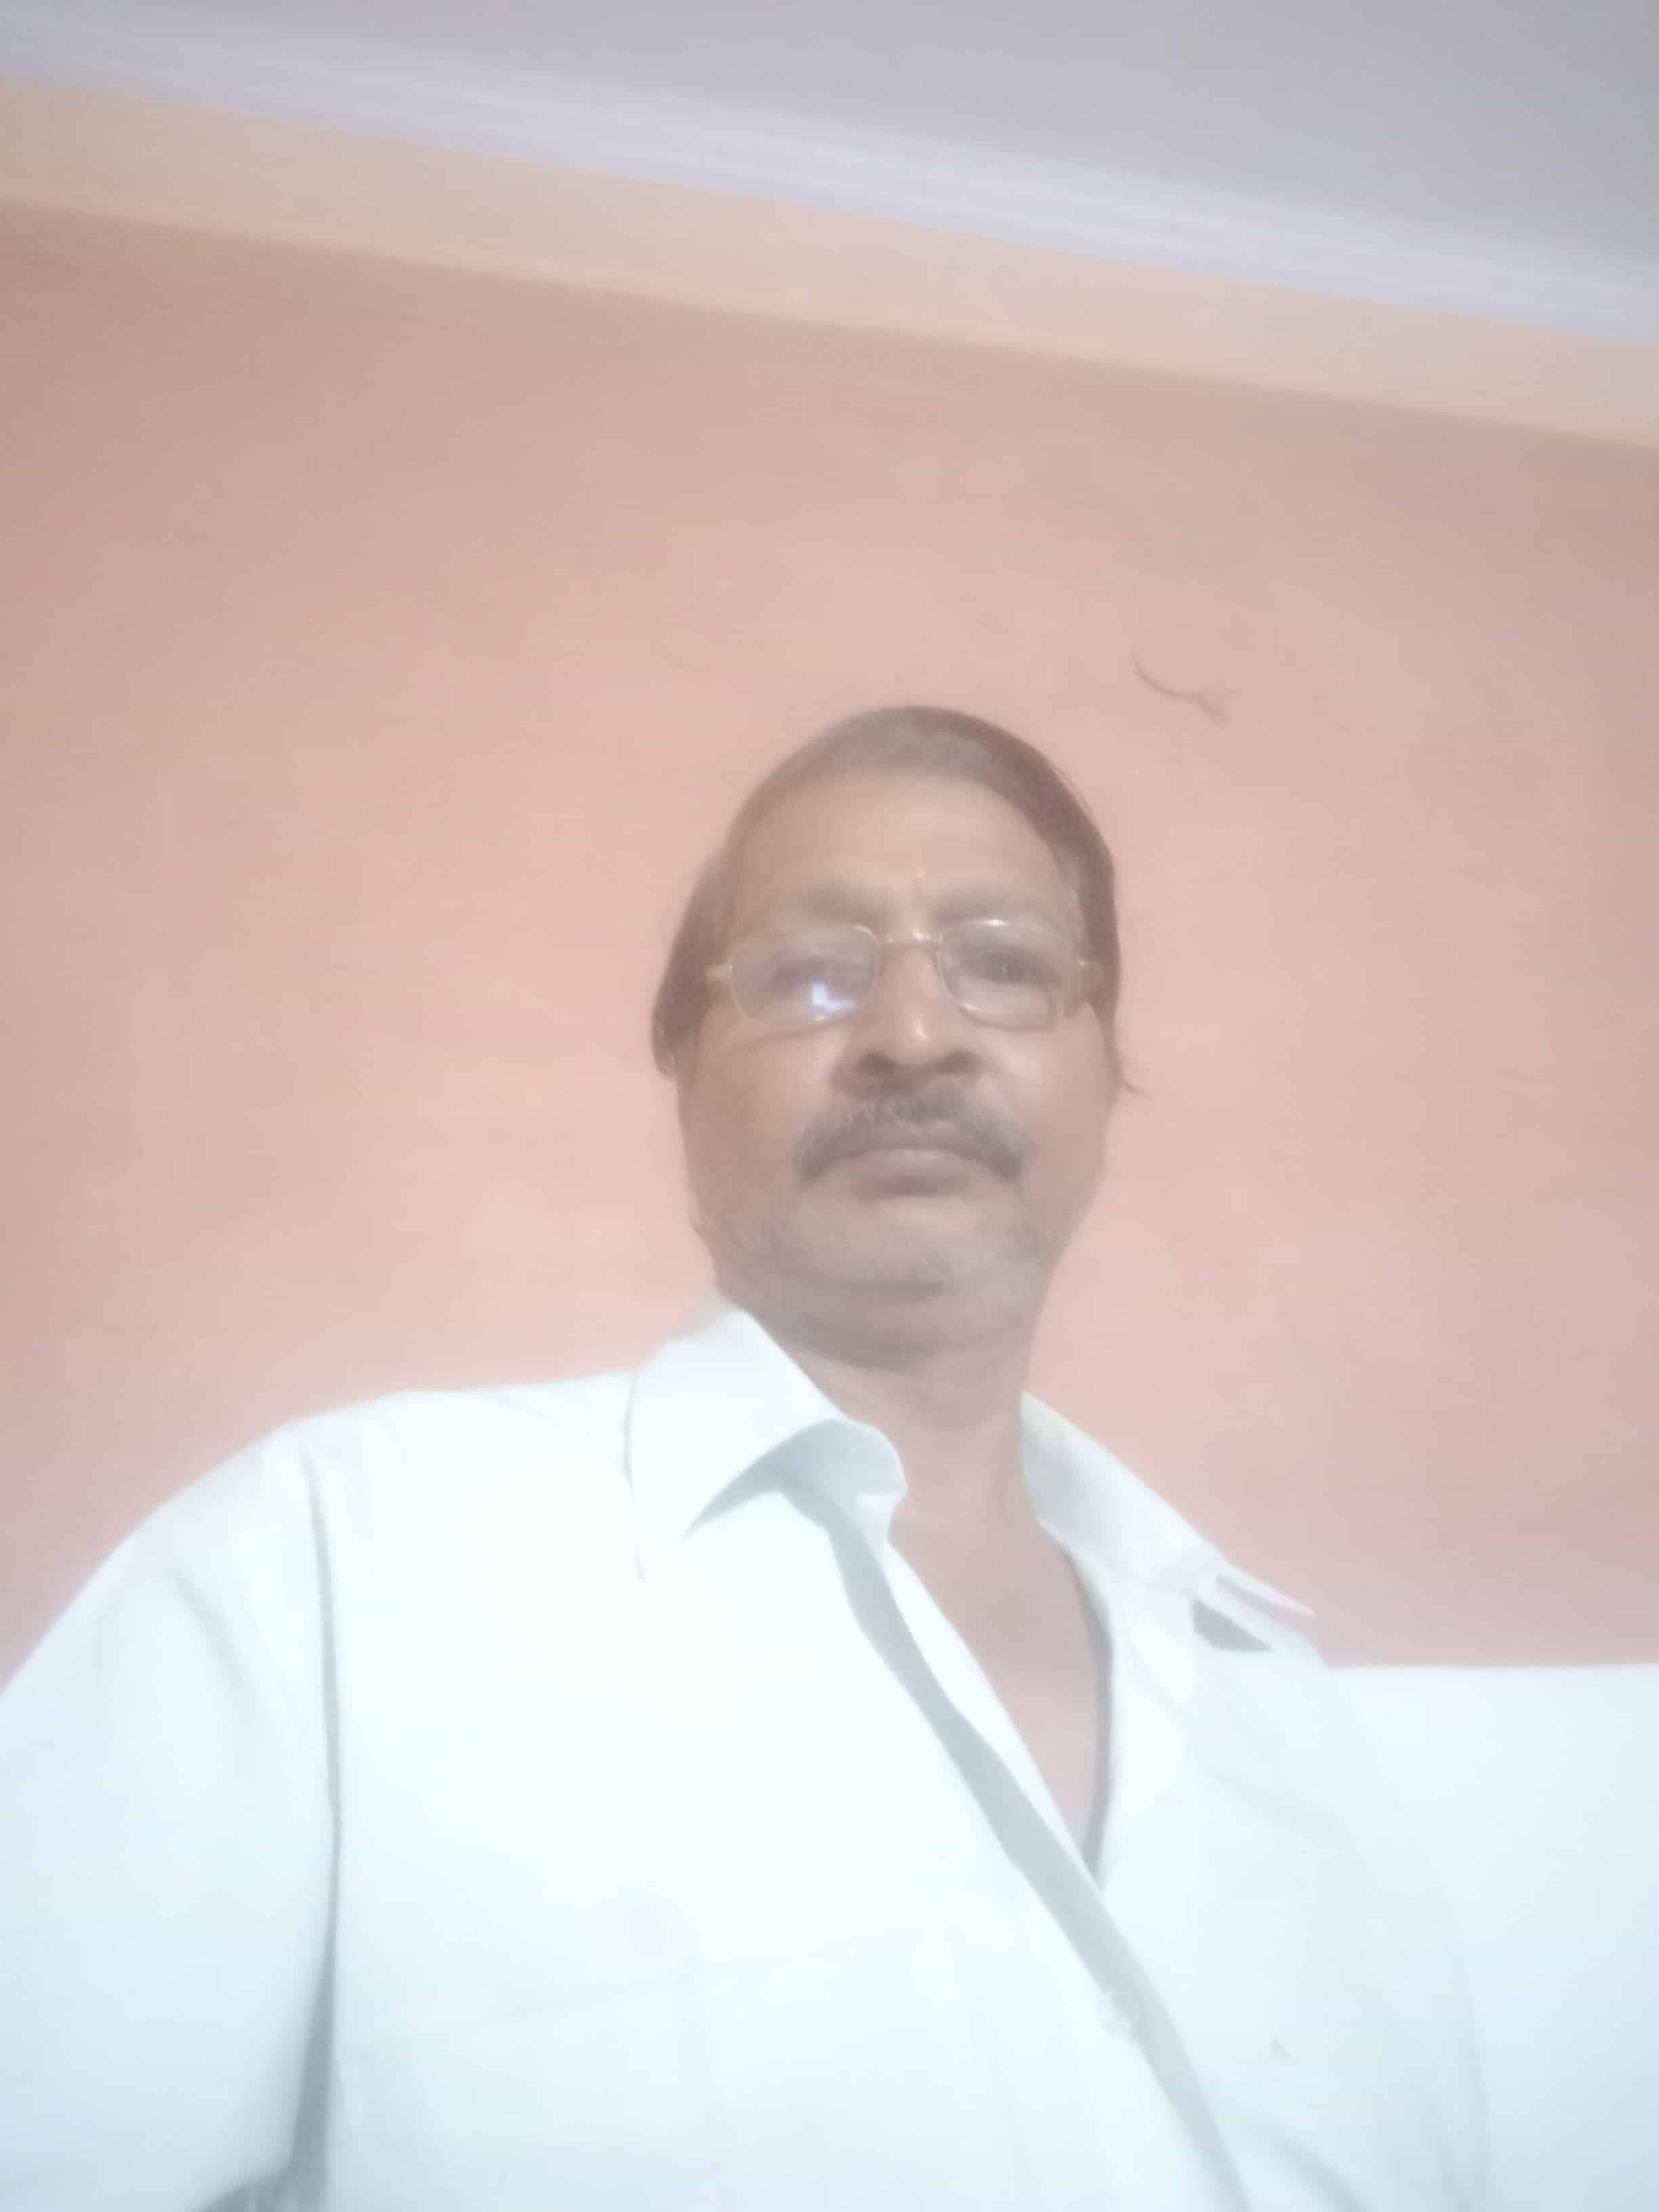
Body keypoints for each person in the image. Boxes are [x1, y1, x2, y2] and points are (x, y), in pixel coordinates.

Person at [1, 705, 1484, 2210]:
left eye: (1007, 964)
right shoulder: (330, 1569)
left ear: (1108, 1069)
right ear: (686, 1067)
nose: (914, 1036)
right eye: (811, 972)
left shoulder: (1274, 1702)